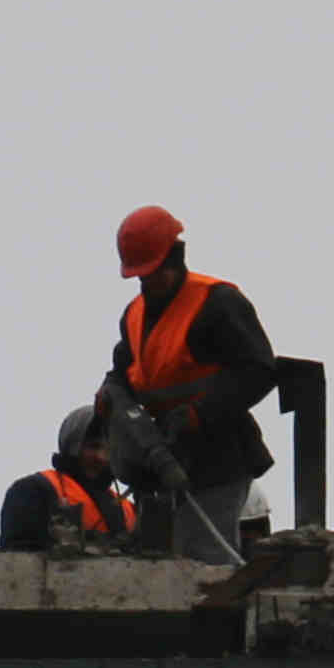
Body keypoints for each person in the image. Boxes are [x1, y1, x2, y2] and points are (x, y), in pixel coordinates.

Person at [94, 204, 285, 557]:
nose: (151, 281)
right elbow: (124, 370)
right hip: (162, 456)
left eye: (157, 271)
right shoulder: (134, 315)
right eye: (143, 275)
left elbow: (258, 369)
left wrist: (200, 412)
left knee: (204, 558)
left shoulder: (217, 303)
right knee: (159, 558)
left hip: (219, 456)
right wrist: (110, 392)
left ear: (176, 256)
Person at [0, 408, 147, 555]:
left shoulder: (129, 510)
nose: (101, 457)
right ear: (72, 446)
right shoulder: (33, 489)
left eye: (108, 449)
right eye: (93, 446)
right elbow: (18, 561)